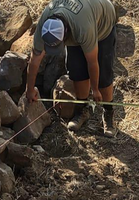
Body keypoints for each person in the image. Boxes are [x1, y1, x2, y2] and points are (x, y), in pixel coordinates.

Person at [26, 0, 119, 138]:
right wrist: (29, 90)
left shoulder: (83, 27)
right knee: (77, 71)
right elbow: (34, 61)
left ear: (66, 32)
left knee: (103, 76)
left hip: (102, 25)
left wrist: (95, 90)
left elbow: (92, 62)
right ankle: (82, 111)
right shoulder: (45, 25)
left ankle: (108, 113)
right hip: (78, 24)